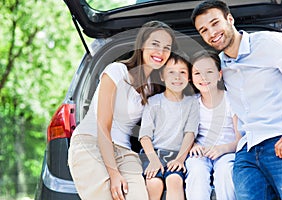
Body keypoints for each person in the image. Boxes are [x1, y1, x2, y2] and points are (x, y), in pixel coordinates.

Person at [191, 1, 282, 200]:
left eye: (215, 23)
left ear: (230, 19)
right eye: (204, 30)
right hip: (247, 151)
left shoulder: (271, 43)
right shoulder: (221, 65)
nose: (211, 33)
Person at [67, 20, 178, 200]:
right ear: (142, 45)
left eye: (167, 47)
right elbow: (103, 125)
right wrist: (114, 174)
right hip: (92, 144)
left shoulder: (153, 88)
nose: (161, 52)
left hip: (125, 153)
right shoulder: (117, 71)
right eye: (155, 45)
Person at [138, 51, 199, 200]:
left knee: (174, 180)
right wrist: (153, 160)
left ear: (189, 77)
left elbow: (190, 133)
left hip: (177, 154)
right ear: (162, 76)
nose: (177, 77)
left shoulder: (192, 103)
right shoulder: (153, 102)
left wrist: (179, 159)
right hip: (153, 153)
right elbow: (144, 136)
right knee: (154, 183)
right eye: (171, 72)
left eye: (182, 72)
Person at [185, 51, 241, 200]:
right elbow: (186, 134)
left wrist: (222, 149)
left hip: (227, 150)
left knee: (225, 172)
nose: (203, 78)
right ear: (191, 78)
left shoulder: (231, 100)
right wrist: (194, 145)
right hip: (201, 152)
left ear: (219, 74)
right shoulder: (192, 103)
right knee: (196, 171)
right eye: (197, 73)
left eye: (209, 72)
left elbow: (240, 140)